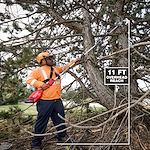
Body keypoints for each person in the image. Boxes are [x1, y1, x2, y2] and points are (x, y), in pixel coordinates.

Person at [26, 52, 81, 150]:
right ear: (42, 61)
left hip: (57, 100)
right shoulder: (38, 70)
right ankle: (36, 143)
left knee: (60, 120)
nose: (52, 60)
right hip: (44, 101)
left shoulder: (56, 69)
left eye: (51, 58)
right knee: (42, 122)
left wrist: (76, 61)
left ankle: (62, 137)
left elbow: (68, 66)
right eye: (49, 58)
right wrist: (41, 84)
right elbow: (29, 79)